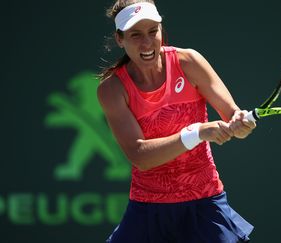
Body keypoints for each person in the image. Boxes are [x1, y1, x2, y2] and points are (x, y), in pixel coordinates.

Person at [97, 0, 256, 242]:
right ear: (120, 39)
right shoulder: (112, 89)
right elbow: (140, 156)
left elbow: (232, 115)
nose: (147, 42)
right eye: (136, 35)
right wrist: (197, 132)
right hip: (148, 210)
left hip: (205, 203)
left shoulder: (189, 62)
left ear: (161, 29)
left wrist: (241, 124)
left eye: (153, 31)